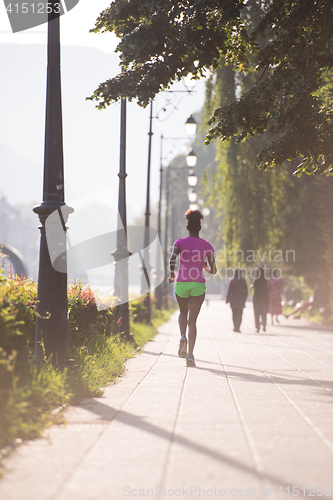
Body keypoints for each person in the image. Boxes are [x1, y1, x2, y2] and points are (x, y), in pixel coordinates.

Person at [168, 209, 216, 367]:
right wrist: (204, 267)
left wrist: (172, 274)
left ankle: (182, 337)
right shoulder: (207, 246)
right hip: (198, 285)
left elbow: (172, 259)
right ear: (200, 228)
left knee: (183, 312)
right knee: (193, 321)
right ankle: (190, 355)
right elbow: (213, 270)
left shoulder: (179, 243)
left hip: (182, 283)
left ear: (187, 227)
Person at [251, 267, 269, 332]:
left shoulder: (256, 280)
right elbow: (268, 288)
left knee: (257, 313)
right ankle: (264, 324)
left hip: (257, 299)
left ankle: (257, 327)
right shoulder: (265, 280)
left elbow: (252, 287)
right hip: (264, 298)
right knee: (264, 312)